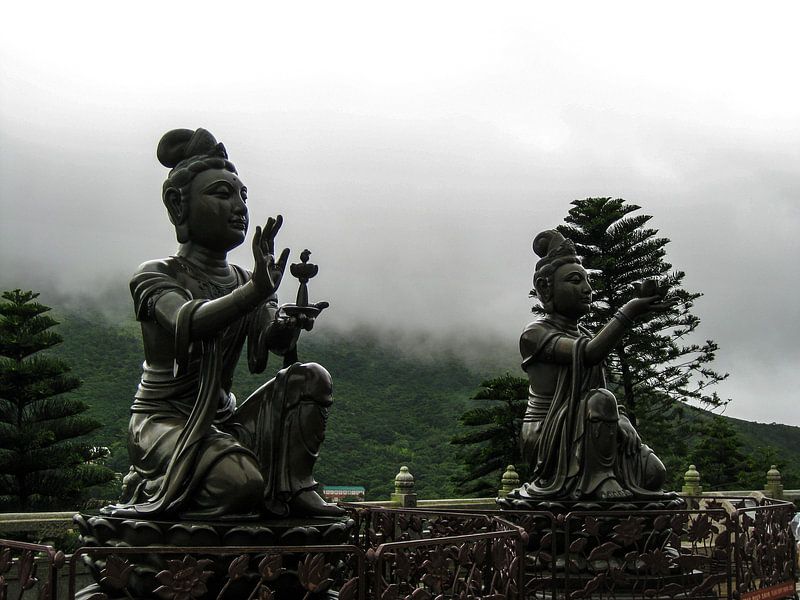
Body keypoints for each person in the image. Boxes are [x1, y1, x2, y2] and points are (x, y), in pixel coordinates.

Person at [103, 128, 343, 519]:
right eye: (221, 194)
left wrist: (289, 321)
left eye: (243, 196)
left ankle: (294, 487)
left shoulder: (249, 279)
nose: (239, 207)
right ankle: (149, 484)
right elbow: (187, 321)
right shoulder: (156, 274)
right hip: (164, 421)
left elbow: (268, 347)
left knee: (311, 377)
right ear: (178, 205)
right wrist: (255, 293)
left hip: (224, 421)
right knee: (240, 484)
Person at [515, 229, 670, 501]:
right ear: (545, 288)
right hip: (549, 432)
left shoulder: (585, 333)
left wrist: (622, 422)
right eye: (575, 281)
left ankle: (605, 475)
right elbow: (588, 355)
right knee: (601, 399)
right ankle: (600, 478)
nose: (587, 289)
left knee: (652, 474)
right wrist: (630, 310)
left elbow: (599, 388)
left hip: (593, 423)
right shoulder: (535, 334)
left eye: (587, 280)